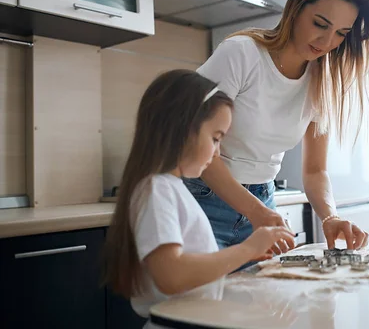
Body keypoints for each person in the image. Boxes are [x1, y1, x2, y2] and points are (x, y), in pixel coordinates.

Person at [184, 0, 369, 255]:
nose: (327, 42)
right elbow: (198, 149)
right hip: (203, 200)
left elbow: (315, 170)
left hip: (264, 198)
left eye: (341, 33)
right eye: (320, 24)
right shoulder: (241, 54)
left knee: (266, 299)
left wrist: (330, 217)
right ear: (296, 7)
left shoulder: (320, 81)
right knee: (207, 300)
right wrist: (256, 211)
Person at [103, 69, 294, 325]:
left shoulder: (171, 188)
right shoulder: (156, 190)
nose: (217, 154)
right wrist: (247, 247)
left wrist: (246, 254)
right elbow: (171, 276)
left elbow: (191, 271)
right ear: (182, 129)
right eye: (215, 139)